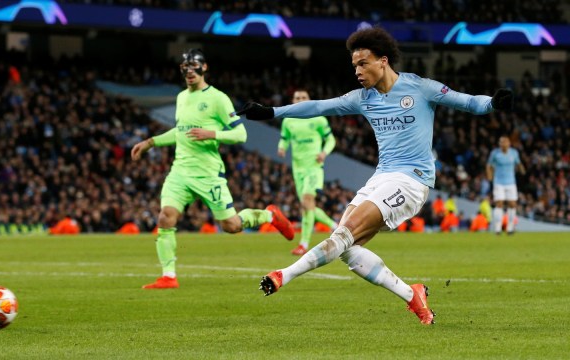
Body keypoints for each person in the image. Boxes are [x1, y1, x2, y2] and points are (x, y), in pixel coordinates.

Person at [236, 27, 513, 325]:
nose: (357, 70)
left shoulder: (420, 87)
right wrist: (272, 112)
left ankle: (284, 274)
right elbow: (319, 106)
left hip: (412, 180)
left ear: (383, 61)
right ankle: (413, 295)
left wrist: (493, 103)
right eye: (354, 65)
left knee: (344, 234)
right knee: (347, 248)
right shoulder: (362, 98)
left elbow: (468, 101)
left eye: (363, 63)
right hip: (381, 178)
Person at [131, 49, 294, 290]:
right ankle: (168, 276)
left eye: (194, 66)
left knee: (231, 226)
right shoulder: (181, 98)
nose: (189, 72)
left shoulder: (218, 98)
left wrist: (212, 133)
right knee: (165, 216)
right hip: (180, 171)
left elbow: (240, 133)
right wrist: (150, 142)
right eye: (185, 67)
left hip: (208, 173)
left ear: (204, 68)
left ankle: (270, 215)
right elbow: (180, 131)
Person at [277, 89, 338, 256]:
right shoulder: (288, 120)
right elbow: (285, 138)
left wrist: (324, 153)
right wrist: (281, 148)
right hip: (298, 169)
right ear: (293, 100)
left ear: (309, 100)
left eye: (304, 97)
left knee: (307, 200)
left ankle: (303, 244)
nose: (300, 100)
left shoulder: (318, 118)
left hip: (314, 167)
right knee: (307, 206)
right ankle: (336, 227)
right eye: (297, 97)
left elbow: (331, 139)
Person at [486, 136, 525, 235]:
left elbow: (518, 163)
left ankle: (510, 227)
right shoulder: (495, 153)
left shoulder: (514, 153)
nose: (503, 144)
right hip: (498, 182)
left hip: (511, 182)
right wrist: (489, 176)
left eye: (505, 142)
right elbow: (489, 165)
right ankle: (497, 228)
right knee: (499, 203)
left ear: (509, 143)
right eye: (501, 142)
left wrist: (522, 169)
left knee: (512, 204)